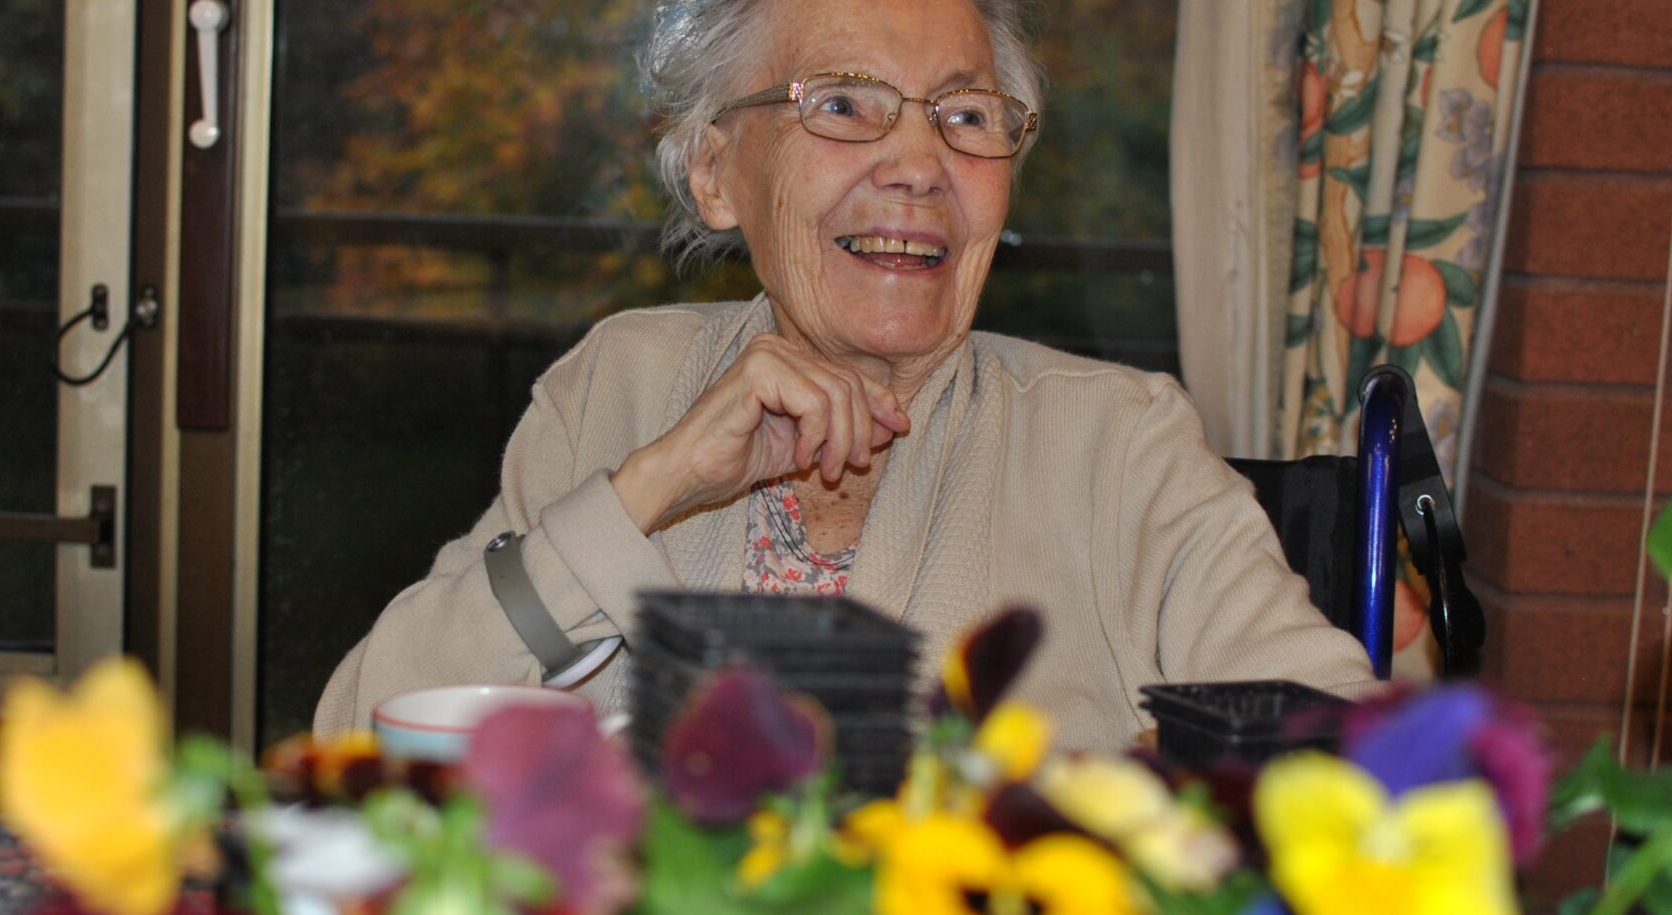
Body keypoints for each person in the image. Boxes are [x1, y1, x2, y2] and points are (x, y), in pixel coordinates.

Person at [316, 0, 1378, 750]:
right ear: (716, 170)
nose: (919, 164)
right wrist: (645, 494)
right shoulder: (619, 391)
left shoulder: (1120, 446)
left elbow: (1360, 767)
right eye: (843, 103)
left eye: (966, 116)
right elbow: (361, 731)